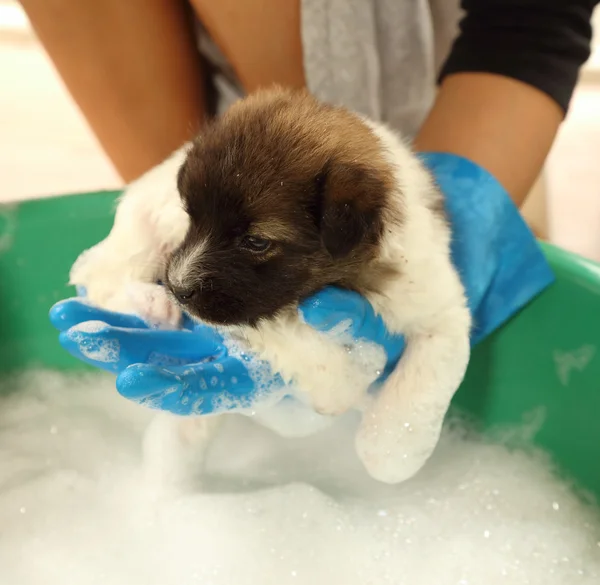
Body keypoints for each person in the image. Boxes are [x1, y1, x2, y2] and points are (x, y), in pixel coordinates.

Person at [40, 0, 596, 414]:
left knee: (479, 369)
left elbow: (532, 23)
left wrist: (467, 203)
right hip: (237, 125)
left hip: (466, 106)